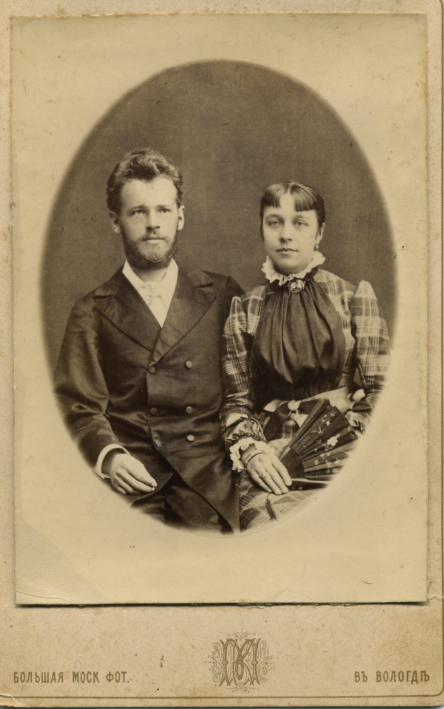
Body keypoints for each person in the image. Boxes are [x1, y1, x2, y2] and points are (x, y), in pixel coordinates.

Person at [55, 148, 242, 533]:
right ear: (115, 221)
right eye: (138, 212)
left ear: (181, 216)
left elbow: (252, 383)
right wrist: (110, 457)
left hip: (206, 476)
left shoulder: (222, 294)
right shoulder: (91, 310)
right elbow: (78, 405)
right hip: (133, 478)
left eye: (163, 210)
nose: (153, 224)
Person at [221, 181, 390, 529]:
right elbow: (236, 402)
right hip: (273, 455)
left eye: (300, 223)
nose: (286, 235)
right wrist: (252, 453)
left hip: (346, 447)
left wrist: (351, 437)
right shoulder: (245, 309)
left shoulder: (351, 298)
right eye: (274, 222)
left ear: (319, 232)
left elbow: (383, 391)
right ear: (262, 229)